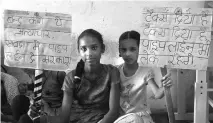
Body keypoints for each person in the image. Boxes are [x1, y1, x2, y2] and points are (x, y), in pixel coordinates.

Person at [29, 29, 121, 123]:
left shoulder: (112, 72)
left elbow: (114, 112)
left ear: (102, 48)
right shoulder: (71, 77)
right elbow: (64, 118)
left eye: (94, 48)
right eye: (84, 49)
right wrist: (41, 117)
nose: (89, 54)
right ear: (79, 51)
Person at [114, 30, 173, 123]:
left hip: (141, 116)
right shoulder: (115, 71)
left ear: (140, 50)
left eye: (132, 49)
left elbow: (157, 94)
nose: (128, 53)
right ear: (119, 51)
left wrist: (164, 86)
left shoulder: (145, 71)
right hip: (122, 117)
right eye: (124, 50)